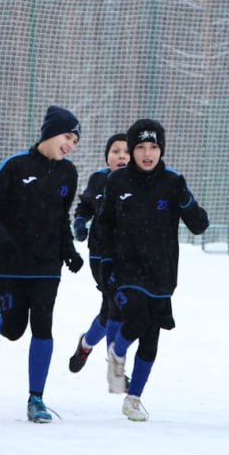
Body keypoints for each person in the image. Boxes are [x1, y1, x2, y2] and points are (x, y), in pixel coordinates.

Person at [0, 105, 83, 424]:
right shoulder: (15, 165)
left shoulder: (68, 174)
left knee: (43, 326)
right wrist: (1, 235)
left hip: (47, 266)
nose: (71, 145)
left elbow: (62, 218)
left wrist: (69, 251)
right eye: (67, 137)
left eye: (75, 141)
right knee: (14, 329)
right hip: (10, 266)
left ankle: (36, 399)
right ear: (50, 133)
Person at [96, 119, 210, 421]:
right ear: (132, 150)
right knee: (137, 317)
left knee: (150, 337)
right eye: (141, 147)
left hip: (162, 272)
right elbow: (104, 225)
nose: (147, 154)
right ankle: (117, 353)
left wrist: (186, 200)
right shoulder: (117, 182)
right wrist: (104, 264)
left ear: (162, 150)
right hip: (127, 270)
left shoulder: (173, 182)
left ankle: (133, 399)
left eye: (154, 147)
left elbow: (199, 225)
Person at [67, 132, 129, 376]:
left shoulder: (143, 183)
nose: (121, 156)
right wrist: (80, 222)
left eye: (127, 152)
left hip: (132, 256)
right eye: (116, 151)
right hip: (101, 255)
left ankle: (85, 344)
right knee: (115, 307)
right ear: (107, 157)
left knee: (112, 312)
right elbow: (84, 206)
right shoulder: (98, 180)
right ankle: (116, 369)